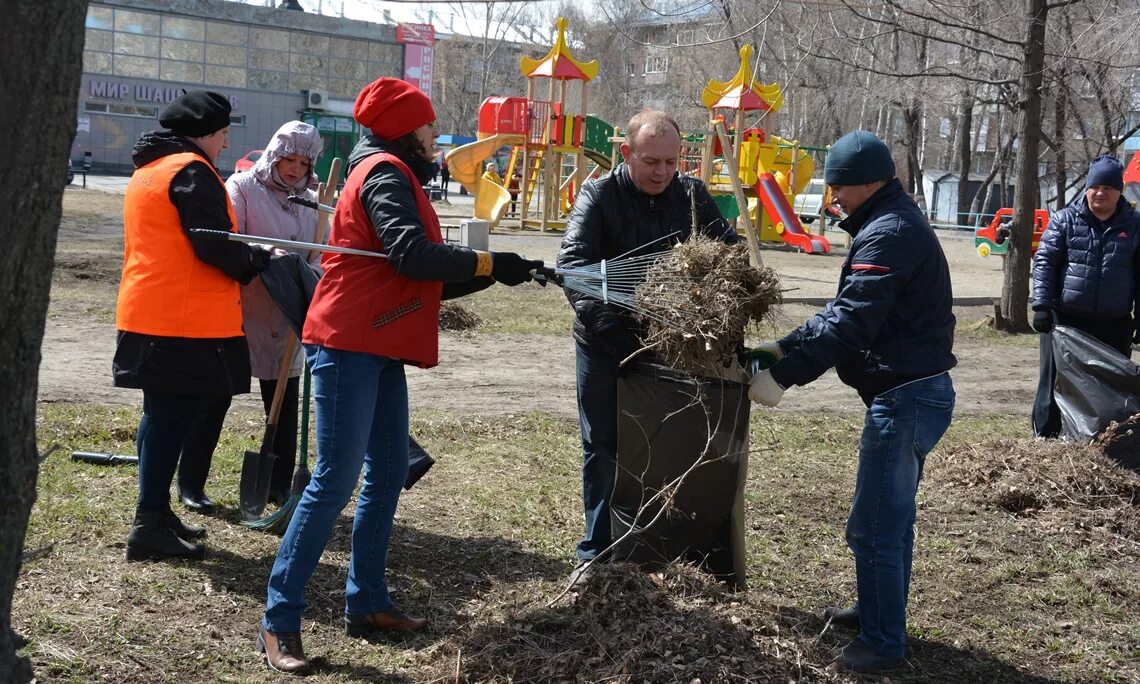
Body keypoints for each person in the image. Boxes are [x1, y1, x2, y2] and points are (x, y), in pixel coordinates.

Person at [257, 77, 543, 675]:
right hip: (348, 342)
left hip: (378, 341)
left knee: (386, 472)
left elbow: (417, 273)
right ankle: (279, 620)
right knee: (333, 482)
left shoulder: (385, 168)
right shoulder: (386, 172)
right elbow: (413, 255)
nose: (434, 134)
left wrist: (501, 270)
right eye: (428, 125)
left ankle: (366, 603)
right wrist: (489, 259)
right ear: (405, 129)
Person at [747, 130, 956, 673]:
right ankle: (876, 610)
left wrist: (785, 375)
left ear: (870, 181)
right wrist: (785, 344)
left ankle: (881, 644)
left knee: (875, 526)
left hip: (904, 398)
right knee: (891, 520)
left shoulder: (889, 234)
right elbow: (844, 309)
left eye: (839, 187)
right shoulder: (889, 224)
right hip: (912, 393)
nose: (832, 197)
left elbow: (853, 322)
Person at [556, 109, 737, 589]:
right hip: (607, 345)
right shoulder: (600, 195)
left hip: (672, 347)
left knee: (674, 444)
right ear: (626, 153)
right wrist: (616, 339)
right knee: (606, 447)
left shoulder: (692, 196)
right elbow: (574, 266)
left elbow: (728, 255)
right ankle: (597, 554)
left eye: (670, 161)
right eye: (649, 160)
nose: (661, 172)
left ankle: (678, 549)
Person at [113, 90, 270, 560]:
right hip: (180, 319)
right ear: (203, 133)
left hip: (150, 310)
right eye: (223, 134)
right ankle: (148, 523)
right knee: (169, 418)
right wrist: (257, 260)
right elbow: (212, 244)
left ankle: (156, 511)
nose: (225, 143)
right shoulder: (191, 172)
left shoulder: (151, 168)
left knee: (158, 416)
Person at [226, 121, 324, 507]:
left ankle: (279, 482)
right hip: (244, 307)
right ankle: (191, 478)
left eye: (304, 162)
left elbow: (323, 252)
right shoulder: (242, 187)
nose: (295, 168)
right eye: (289, 158)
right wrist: (268, 252)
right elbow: (230, 238)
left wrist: (313, 270)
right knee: (215, 398)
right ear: (273, 153)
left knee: (283, 402)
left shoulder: (314, 198)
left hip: (289, 313)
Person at [1030, 154, 1140, 438]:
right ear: (1087, 188)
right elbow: (1045, 262)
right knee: (1053, 384)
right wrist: (1041, 305)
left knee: (1111, 389)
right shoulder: (1065, 220)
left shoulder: (1135, 225)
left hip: (1113, 324)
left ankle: (1106, 443)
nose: (1100, 193)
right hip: (1065, 321)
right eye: (1095, 187)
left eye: (1107, 188)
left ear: (1119, 191)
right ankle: (1046, 439)